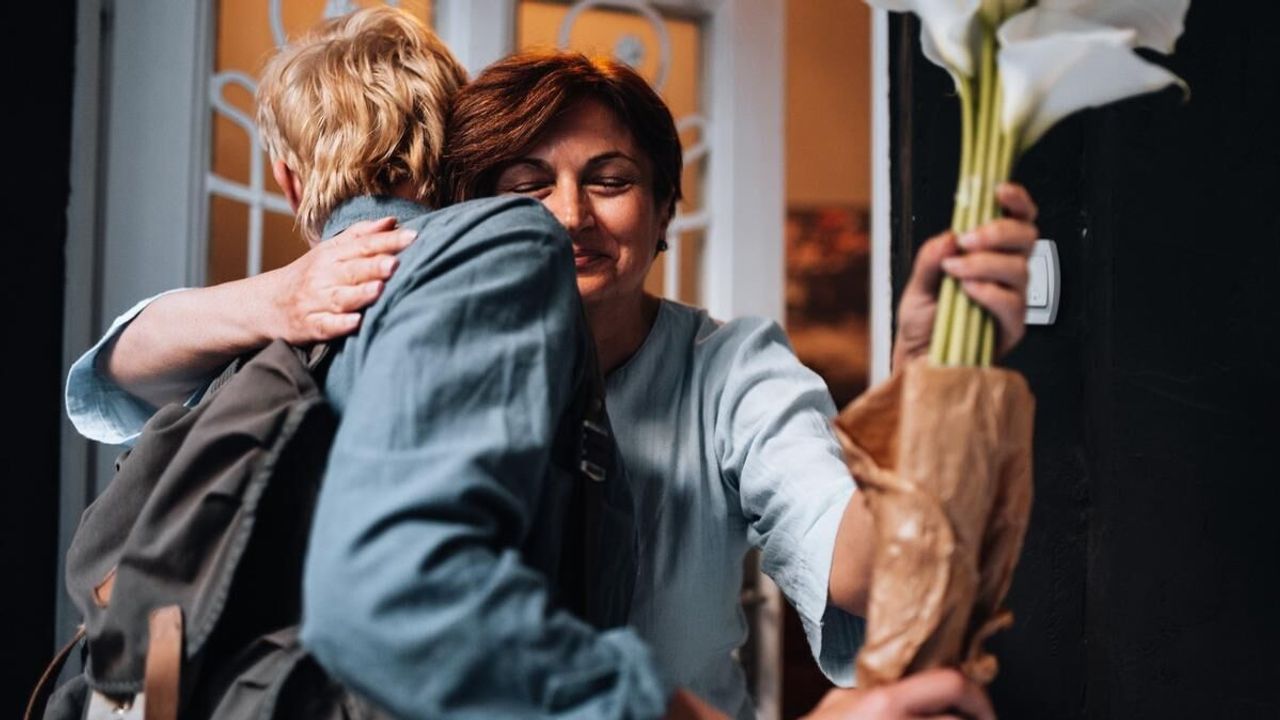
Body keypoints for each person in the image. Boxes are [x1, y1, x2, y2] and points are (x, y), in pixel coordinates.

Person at [67, 41, 1033, 720]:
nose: (569, 215)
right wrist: (275, 296)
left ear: (664, 211)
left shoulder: (729, 370)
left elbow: (860, 566)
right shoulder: (376, 320)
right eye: (527, 186)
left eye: (610, 180)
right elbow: (116, 369)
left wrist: (929, 377)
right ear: (470, 215)